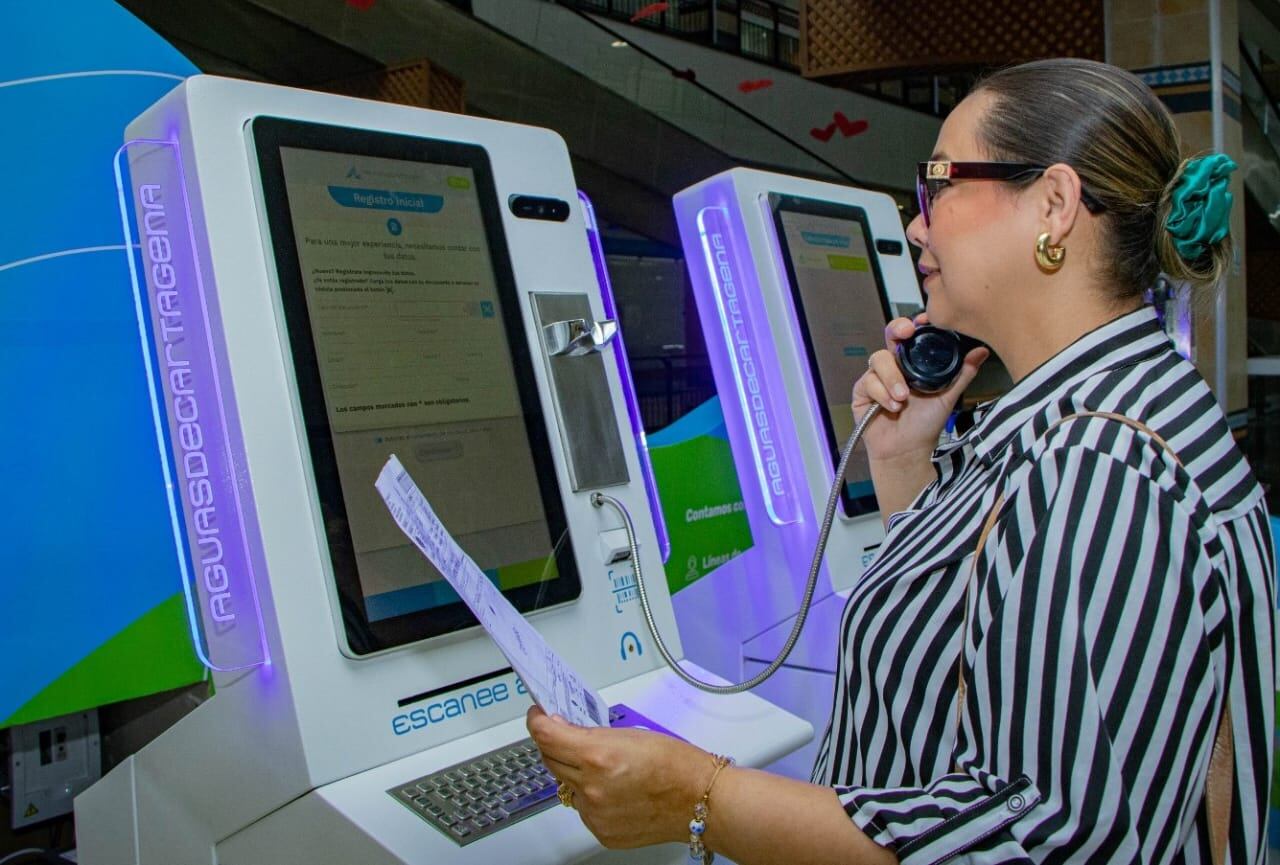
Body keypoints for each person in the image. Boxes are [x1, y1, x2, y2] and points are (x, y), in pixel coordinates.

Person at [528, 58, 1277, 864]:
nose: (917, 225)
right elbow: (987, 639)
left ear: (1053, 207)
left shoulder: (1102, 466)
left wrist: (698, 796)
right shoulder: (1110, 413)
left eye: (940, 185)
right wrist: (904, 462)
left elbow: (1025, 839)